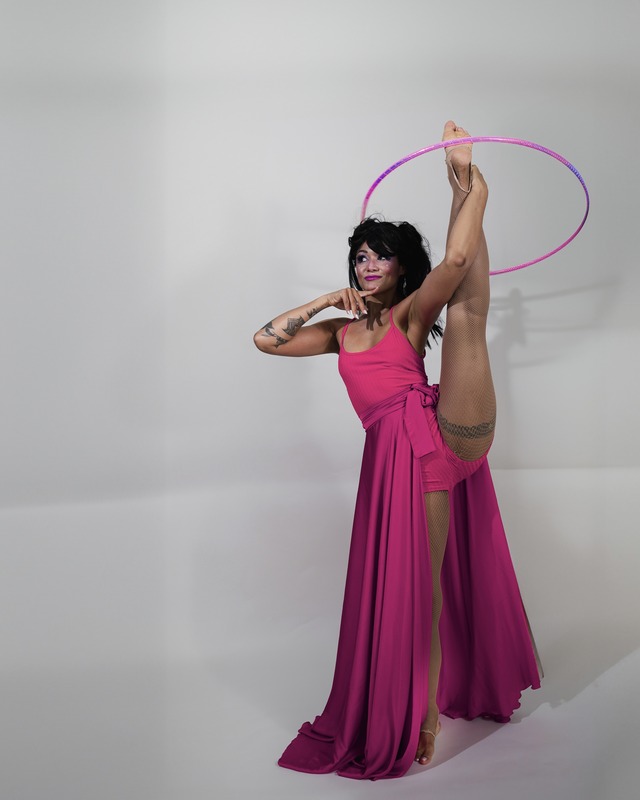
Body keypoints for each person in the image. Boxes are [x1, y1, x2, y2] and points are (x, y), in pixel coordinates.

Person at [253, 121, 541, 780]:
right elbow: (266, 340)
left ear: (402, 267)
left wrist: (461, 174)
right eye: (360, 257)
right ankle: (426, 707)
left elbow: (456, 266)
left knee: (466, 309)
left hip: (443, 432)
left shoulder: (410, 315)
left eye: (380, 256)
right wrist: (324, 300)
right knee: (422, 591)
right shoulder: (339, 333)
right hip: (398, 467)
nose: (368, 265)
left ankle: (469, 182)